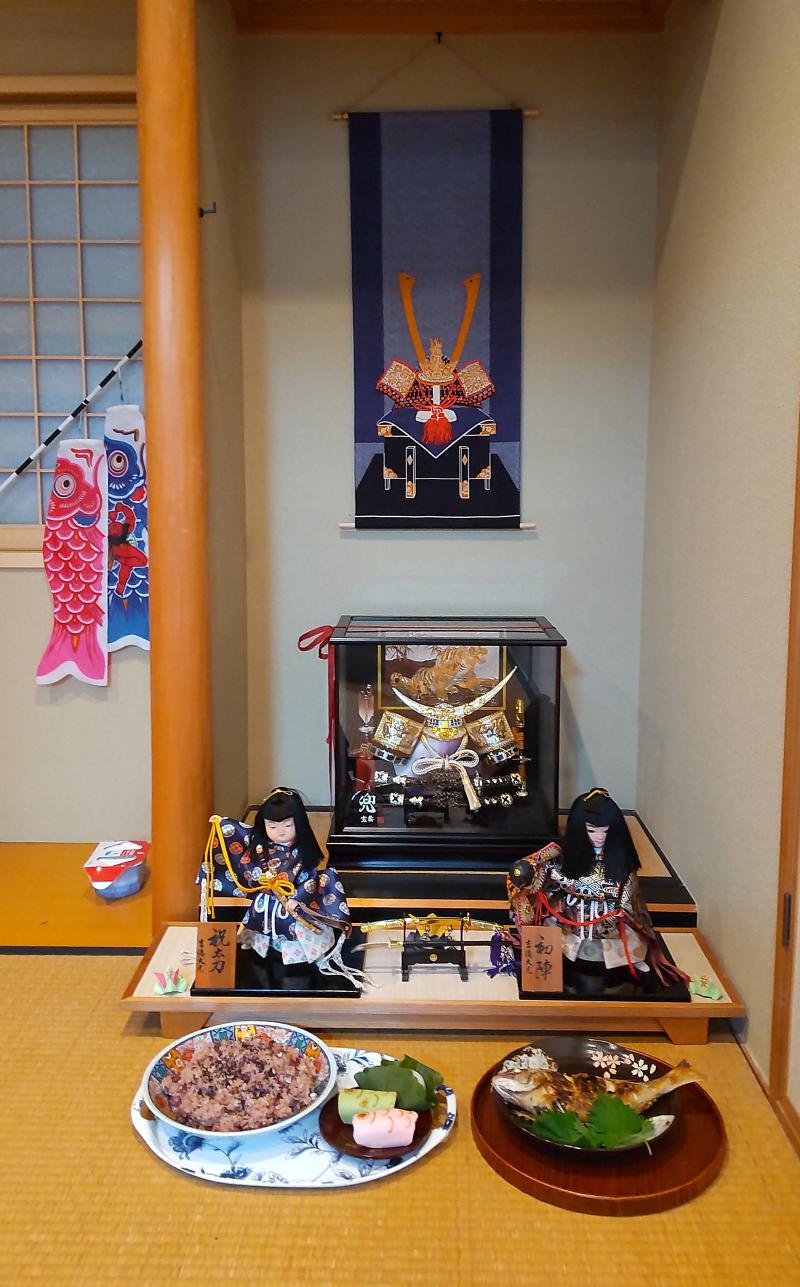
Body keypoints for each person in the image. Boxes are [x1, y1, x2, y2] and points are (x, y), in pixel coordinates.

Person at [508, 787, 684, 984]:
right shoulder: (565, 858)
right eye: (591, 830)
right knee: (555, 935)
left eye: (605, 831)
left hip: (609, 918)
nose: (599, 837)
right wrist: (535, 873)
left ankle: (628, 958)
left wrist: (621, 908)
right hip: (572, 919)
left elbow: (630, 895)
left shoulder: (619, 861)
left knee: (626, 938)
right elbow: (549, 886)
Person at [200, 788, 365, 985]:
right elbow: (240, 832)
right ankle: (264, 948)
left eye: (287, 825)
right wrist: (222, 824)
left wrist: (298, 898)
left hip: (292, 900)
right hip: (267, 900)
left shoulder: (301, 851)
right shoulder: (261, 846)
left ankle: (298, 958)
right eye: (272, 826)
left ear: (299, 824)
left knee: (293, 930)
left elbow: (311, 877)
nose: (280, 832)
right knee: (262, 926)